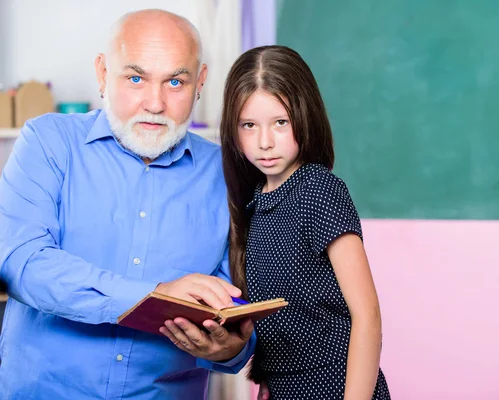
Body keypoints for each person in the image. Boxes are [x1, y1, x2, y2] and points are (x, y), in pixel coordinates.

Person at [0, 9, 255, 400]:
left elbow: (233, 303)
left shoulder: (230, 175)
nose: (155, 103)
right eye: (136, 78)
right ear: (103, 73)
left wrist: (231, 350)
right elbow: (21, 262)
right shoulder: (48, 142)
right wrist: (154, 294)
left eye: (175, 81)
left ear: (200, 81)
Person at [220, 45, 391, 399]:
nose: (264, 143)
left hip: (336, 384)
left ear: (304, 115)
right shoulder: (254, 204)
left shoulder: (318, 189)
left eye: (280, 123)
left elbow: (367, 315)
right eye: (248, 125)